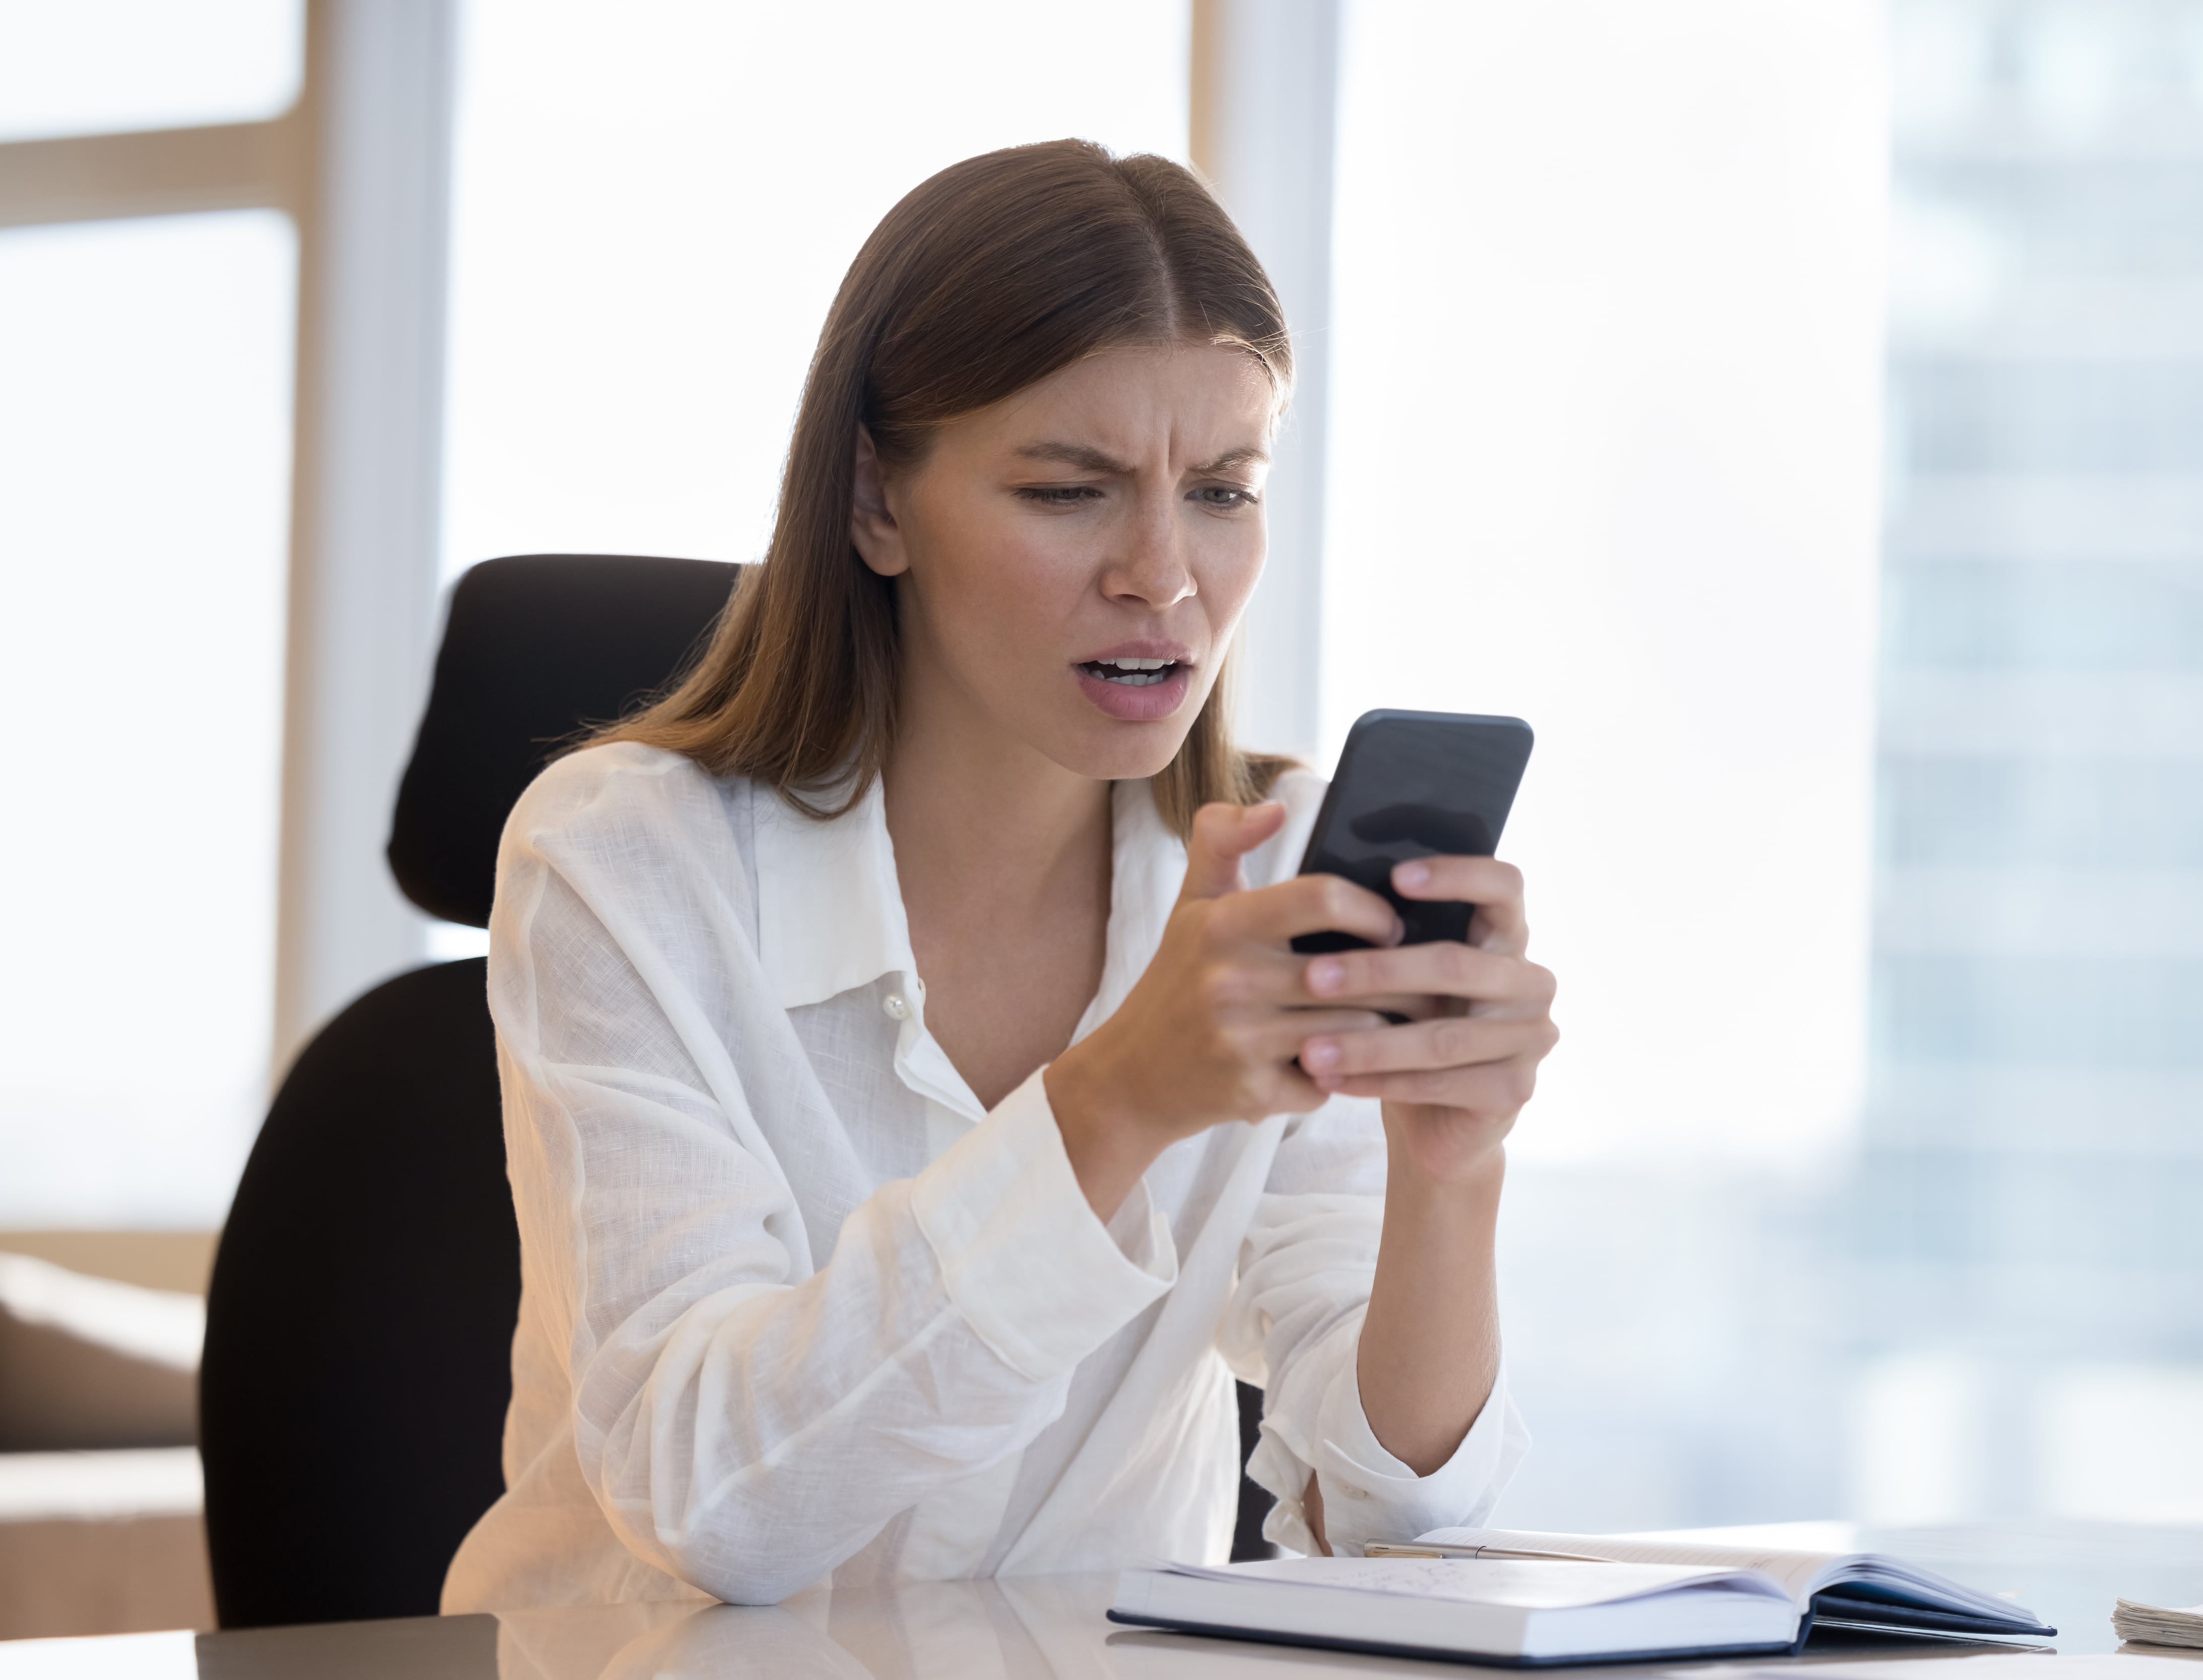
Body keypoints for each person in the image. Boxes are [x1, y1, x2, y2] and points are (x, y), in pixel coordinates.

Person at [440, 139, 1559, 1612]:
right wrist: (1116, 1101)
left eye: (1223, 490)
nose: (1164, 575)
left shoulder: (1269, 875)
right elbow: (716, 1509)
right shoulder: (628, 859)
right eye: (1067, 490)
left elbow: (1390, 1523)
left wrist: (1449, 1173)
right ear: (875, 503)